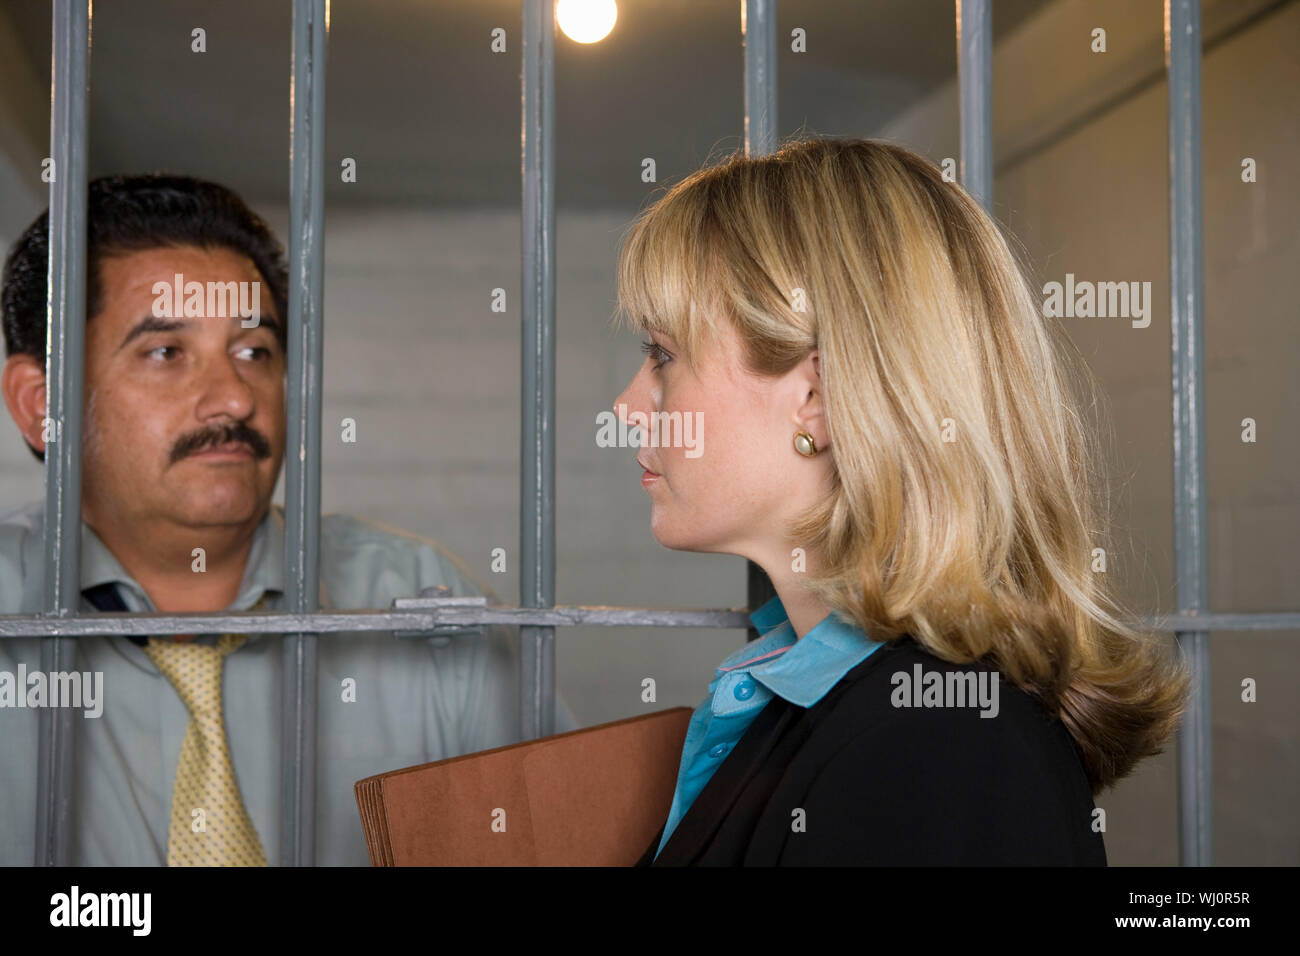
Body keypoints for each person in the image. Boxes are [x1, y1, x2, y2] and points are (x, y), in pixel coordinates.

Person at [612, 136, 1190, 866]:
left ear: (816, 399)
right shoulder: (847, 709)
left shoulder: (935, 750)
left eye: (663, 355)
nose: (629, 405)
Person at [0, 173, 577, 866]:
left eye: (254, 353)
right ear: (41, 404)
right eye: (166, 353)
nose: (233, 400)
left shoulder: (420, 606)